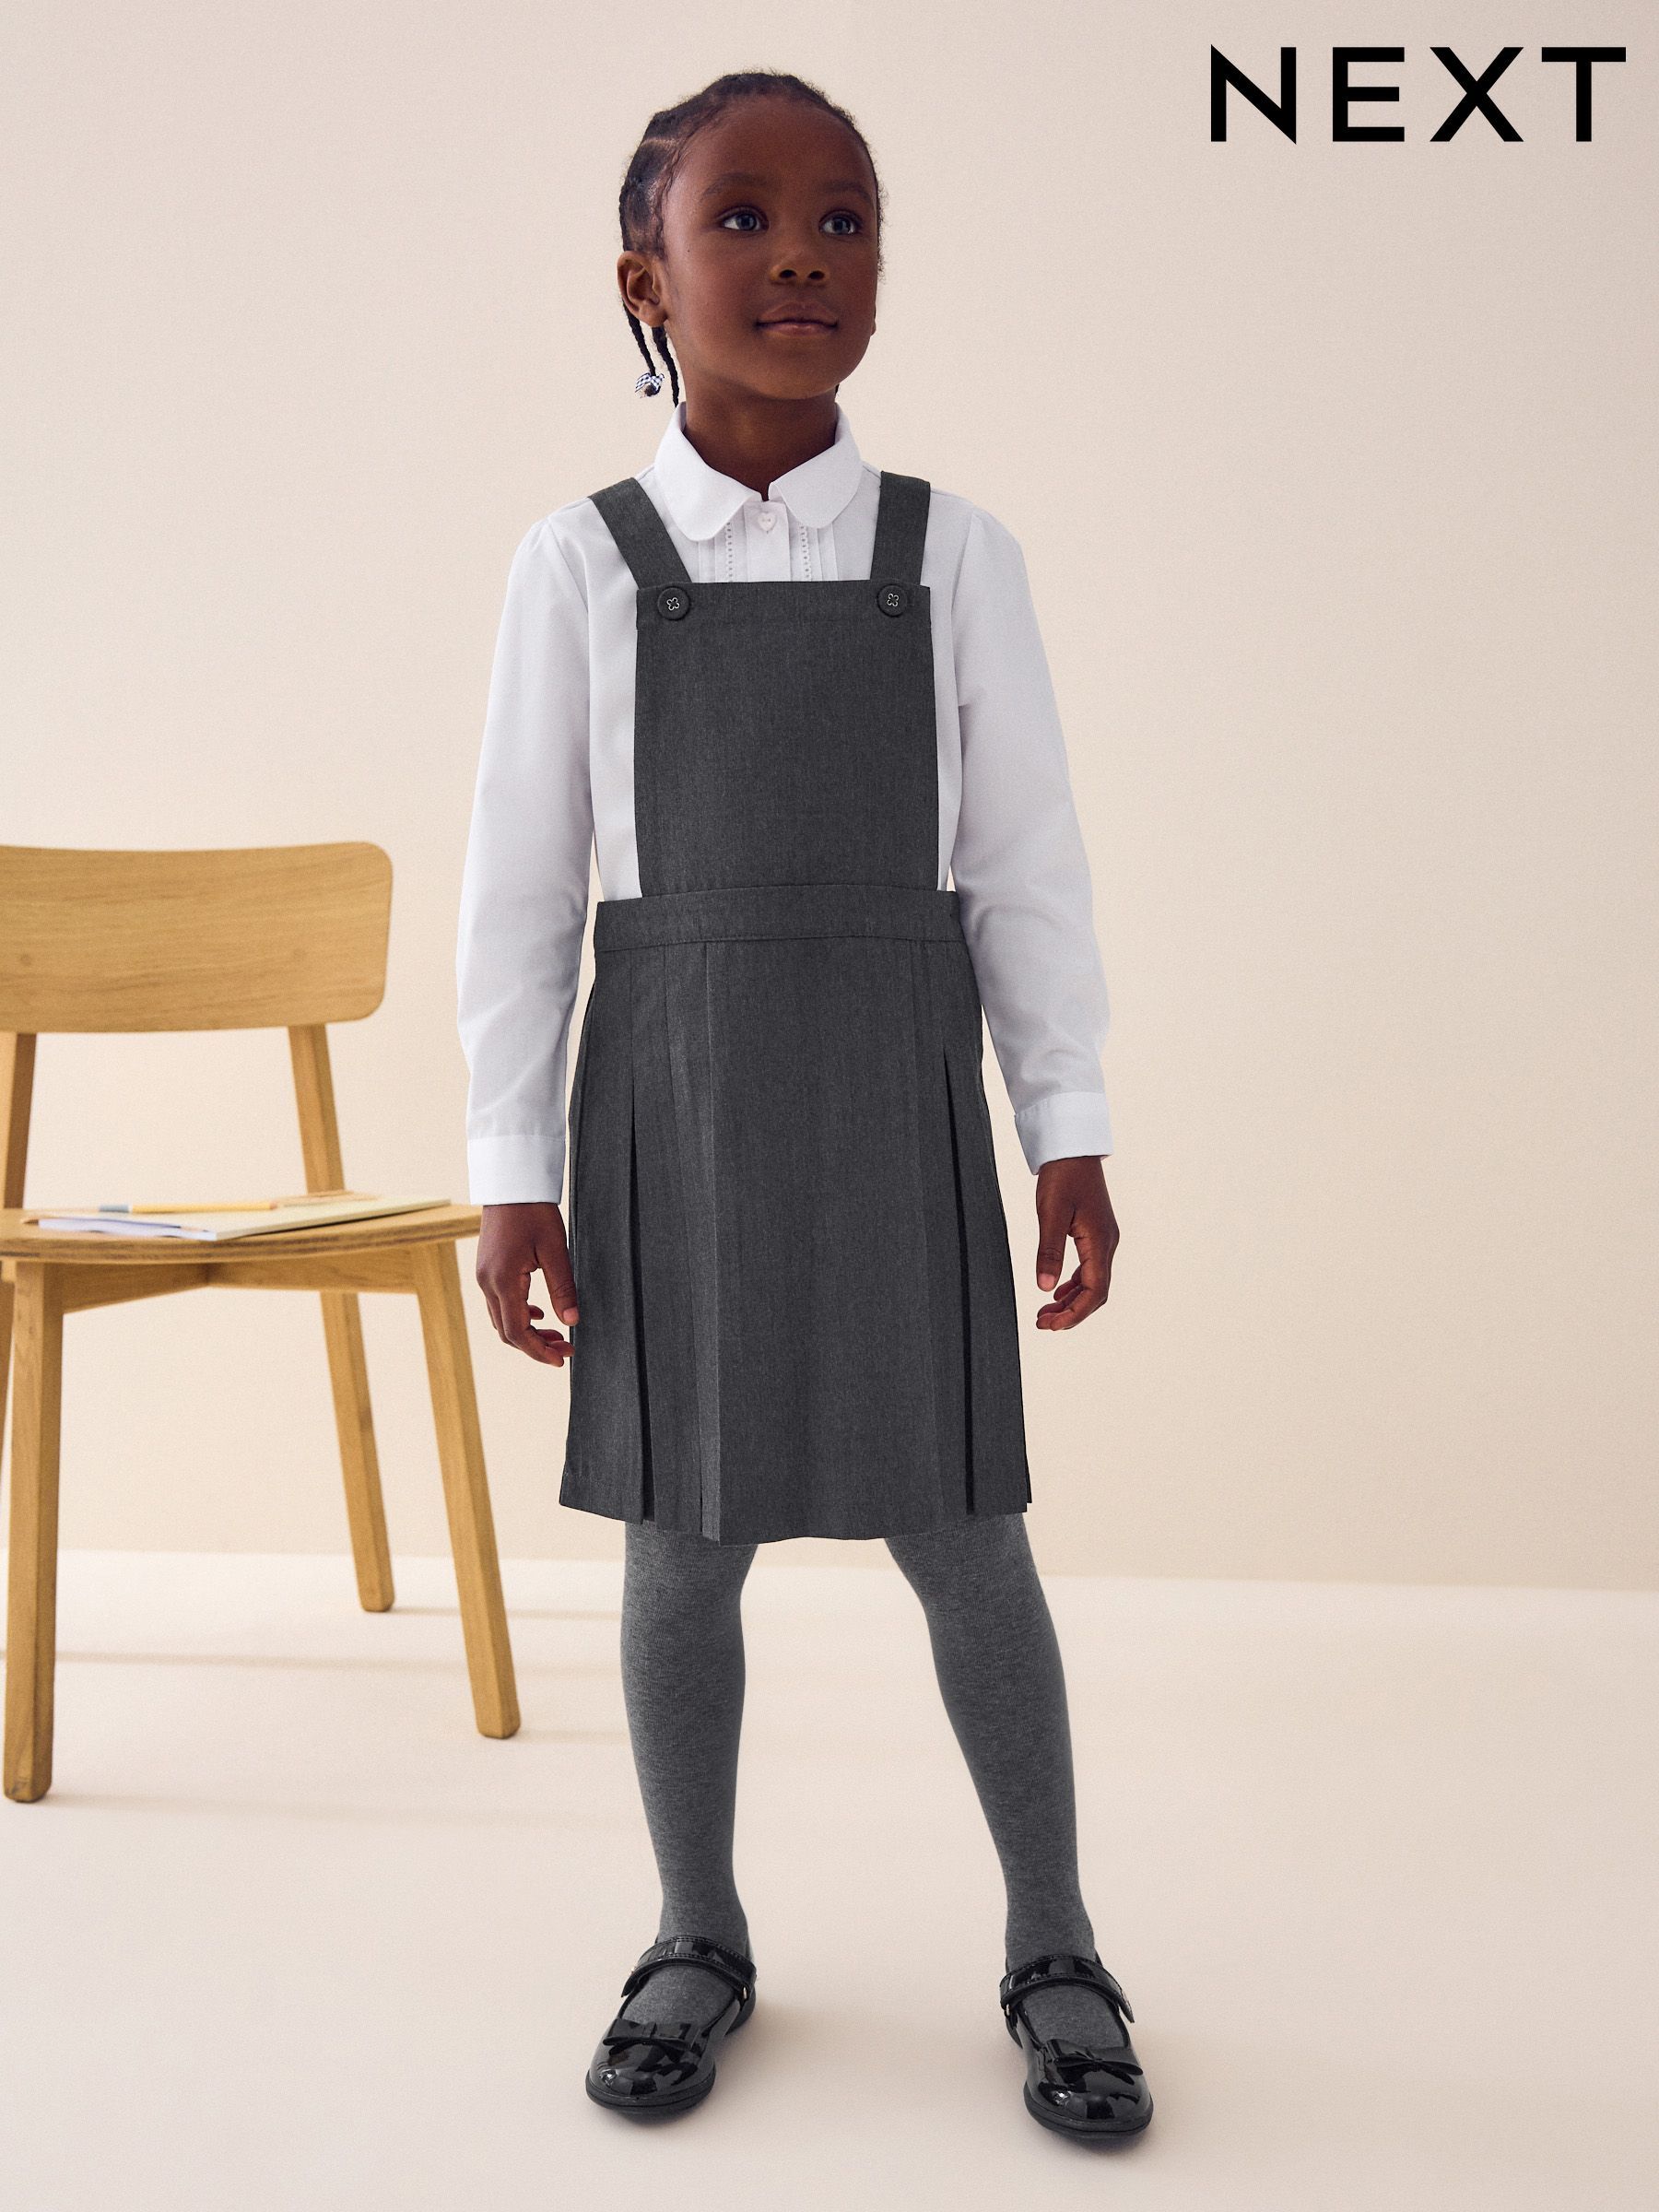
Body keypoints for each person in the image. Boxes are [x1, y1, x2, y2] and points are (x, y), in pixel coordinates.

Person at [455, 68, 1152, 2142]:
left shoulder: (956, 555)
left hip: (893, 1089)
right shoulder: (579, 566)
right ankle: (697, 1930)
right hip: (671, 1103)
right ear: (644, 281)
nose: (800, 258)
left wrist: (1068, 1123)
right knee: (683, 1541)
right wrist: (510, 1168)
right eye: (743, 219)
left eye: (844, 220)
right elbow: (520, 890)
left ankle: (1056, 1941)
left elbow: (1025, 863)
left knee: (969, 1532)